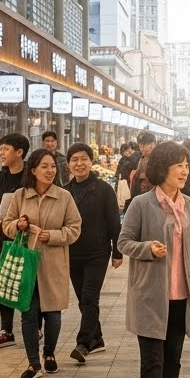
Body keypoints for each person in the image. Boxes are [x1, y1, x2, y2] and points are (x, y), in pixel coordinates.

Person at [119, 141, 190, 378]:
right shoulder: (141, 204)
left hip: (180, 295)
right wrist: (147, 249)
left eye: (186, 165)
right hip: (150, 295)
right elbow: (124, 241)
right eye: (178, 165)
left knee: (173, 359)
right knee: (152, 361)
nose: (185, 170)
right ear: (162, 169)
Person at [1, 148, 82, 378]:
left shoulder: (64, 197)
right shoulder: (20, 195)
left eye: (53, 166)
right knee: (28, 313)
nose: (50, 171)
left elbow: (75, 228)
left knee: (53, 314)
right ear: (33, 170)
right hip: (26, 263)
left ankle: (49, 354)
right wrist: (19, 224)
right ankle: (33, 363)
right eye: (44, 166)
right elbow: (6, 225)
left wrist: (53, 236)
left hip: (53, 263)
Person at [65, 142, 121, 364]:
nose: (79, 164)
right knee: (82, 299)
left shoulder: (104, 189)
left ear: (90, 161)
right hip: (72, 252)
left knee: (89, 296)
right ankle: (97, 338)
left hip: (97, 253)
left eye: (83, 159)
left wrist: (117, 251)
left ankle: (83, 342)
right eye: (74, 160)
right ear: (69, 164)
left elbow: (114, 222)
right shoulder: (64, 191)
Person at [0, 133, 29, 350]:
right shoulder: (1, 177)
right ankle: (6, 331)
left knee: (27, 281)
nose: (1, 153)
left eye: (5, 149)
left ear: (19, 152)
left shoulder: (31, 174)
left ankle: (33, 326)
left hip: (28, 237)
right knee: (3, 281)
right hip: (4, 236)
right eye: (0, 149)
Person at [128, 131, 157, 199]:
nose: (142, 148)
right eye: (140, 146)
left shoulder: (159, 158)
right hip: (142, 196)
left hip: (154, 197)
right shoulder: (142, 158)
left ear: (153, 144)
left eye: (145, 145)